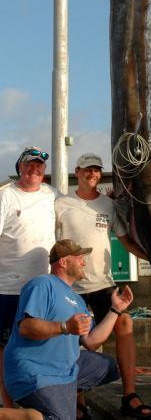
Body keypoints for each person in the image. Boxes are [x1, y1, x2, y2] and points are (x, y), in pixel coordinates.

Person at [55, 153, 151, 419]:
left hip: (102, 281)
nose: (92, 174)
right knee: (72, 340)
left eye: (97, 170)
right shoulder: (61, 203)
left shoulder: (108, 205)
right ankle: (78, 401)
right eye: (87, 169)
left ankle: (130, 395)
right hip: (70, 285)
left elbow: (127, 242)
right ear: (77, 171)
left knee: (124, 324)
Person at [0, 238, 133, 420]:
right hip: (36, 371)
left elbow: (92, 342)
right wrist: (64, 327)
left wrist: (116, 309)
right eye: (79, 257)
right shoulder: (42, 284)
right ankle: (21, 415)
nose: (84, 262)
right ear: (63, 262)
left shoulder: (78, 301)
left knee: (109, 366)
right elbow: (26, 327)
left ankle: (64, 394)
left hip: (64, 369)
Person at [0, 146, 58, 408]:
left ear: (44, 171)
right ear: (19, 168)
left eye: (39, 166)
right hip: (8, 288)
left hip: (44, 289)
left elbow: (79, 205)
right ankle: (8, 407)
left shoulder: (52, 195)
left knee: (40, 347)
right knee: (5, 349)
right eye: (29, 164)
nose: (34, 169)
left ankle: (37, 403)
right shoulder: (5, 196)